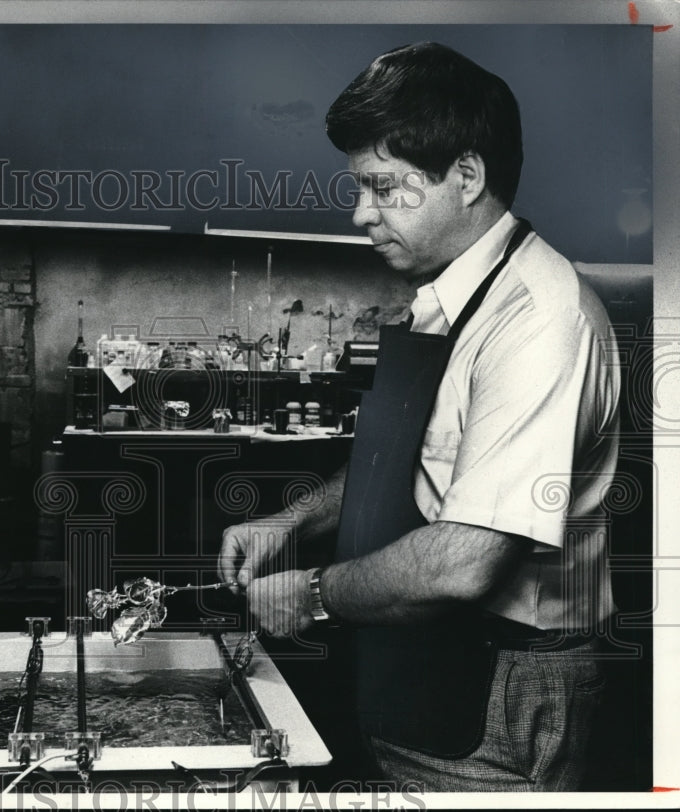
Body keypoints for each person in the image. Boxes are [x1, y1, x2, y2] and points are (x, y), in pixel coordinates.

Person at [217, 42, 619, 792]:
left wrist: (308, 593)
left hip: (498, 687)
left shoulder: (538, 320)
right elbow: (404, 457)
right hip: (420, 669)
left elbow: (467, 560)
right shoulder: (445, 298)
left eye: (381, 188)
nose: (360, 213)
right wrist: (293, 521)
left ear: (466, 176)